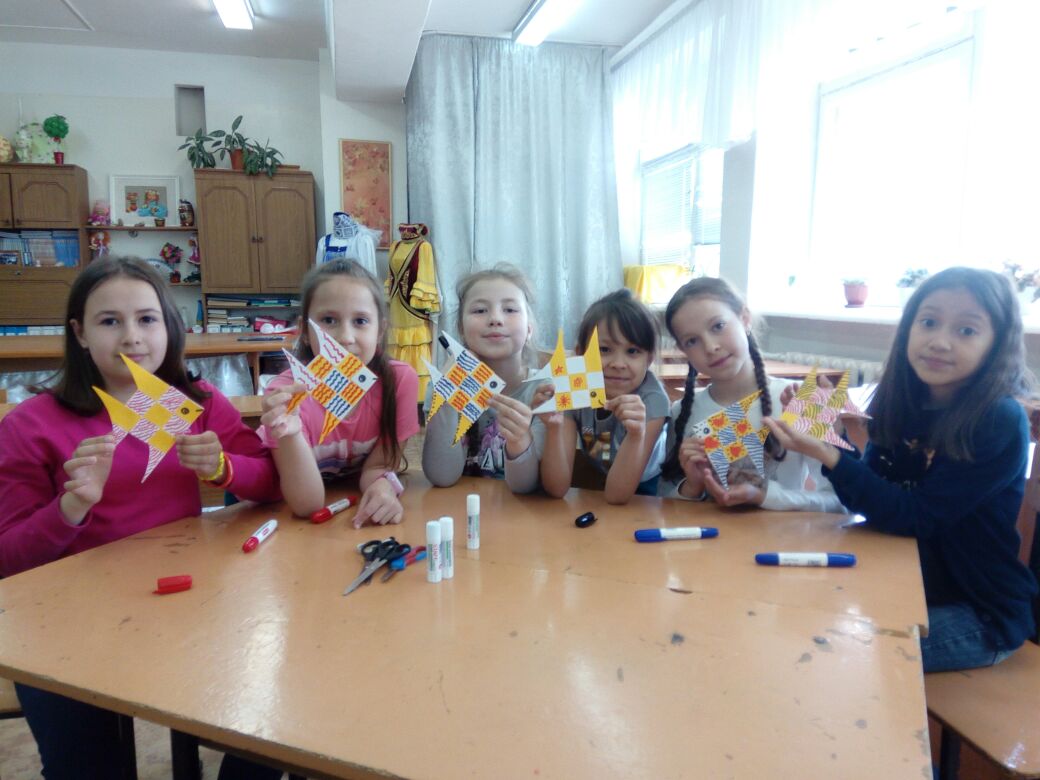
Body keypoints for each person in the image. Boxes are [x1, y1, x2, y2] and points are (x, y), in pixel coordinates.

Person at [0, 256, 282, 779]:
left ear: (168, 327)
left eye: (147, 319)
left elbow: (271, 481)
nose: (132, 337)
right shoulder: (30, 425)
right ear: (79, 333)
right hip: (63, 628)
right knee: (86, 768)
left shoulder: (191, 402)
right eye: (110, 321)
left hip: (182, 608)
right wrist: (70, 508)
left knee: (273, 717)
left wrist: (223, 468)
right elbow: (8, 560)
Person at [767, 267, 1039, 673]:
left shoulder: (996, 419)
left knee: (838, 657)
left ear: (996, 344)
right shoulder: (902, 399)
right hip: (901, 583)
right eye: (928, 322)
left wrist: (828, 454)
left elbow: (916, 516)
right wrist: (830, 435)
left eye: (966, 330)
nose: (940, 341)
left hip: (979, 613)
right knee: (790, 614)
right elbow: (875, 497)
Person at [660, 277, 843, 511]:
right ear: (683, 350)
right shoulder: (682, 412)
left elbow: (839, 502)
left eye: (718, 326)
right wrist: (692, 487)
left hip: (782, 533)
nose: (711, 347)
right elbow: (663, 503)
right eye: (692, 341)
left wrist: (764, 496)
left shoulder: (800, 399)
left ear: (744, 318)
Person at [260, 259, 419, 524]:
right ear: (305, 331)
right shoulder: (286, 395)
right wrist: (291, 433)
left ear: (380, 330)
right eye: (329, 320)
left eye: (360, 321)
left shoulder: (399, 381)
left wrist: (383, 487)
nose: (345, 337)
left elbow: (378, 467)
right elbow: (307, 505)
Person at [421, 264, 544, 492]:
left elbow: (525, 488)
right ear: (461, 329)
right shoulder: (442, 387)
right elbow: (441, 476)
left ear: (529, 329)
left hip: (520, 511)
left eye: (510, 309)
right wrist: (447, 394)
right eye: (480, 310)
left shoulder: (542, 392)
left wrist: (519, 440)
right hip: (457, 508)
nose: (495, 319)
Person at [540, 289, 668, 504]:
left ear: (649, 359)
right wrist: (553, 428)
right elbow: (557, 488)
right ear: (581, 354)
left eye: (633, 351)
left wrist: (636, 435)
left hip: (647, 487)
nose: (618, 364)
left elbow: (617, 496)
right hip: (601, 475)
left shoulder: (652, 401)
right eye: (604, 349)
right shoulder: (573, 388)